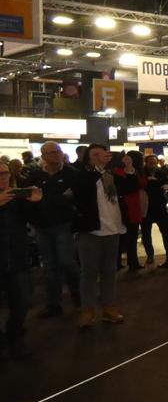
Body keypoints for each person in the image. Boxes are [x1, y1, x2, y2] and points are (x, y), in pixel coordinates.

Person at [25, 141, 81, 317]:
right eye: (52, 152)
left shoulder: (72, 174)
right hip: (42, 226)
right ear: (43, 156)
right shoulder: (35, 176)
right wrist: (60, 198)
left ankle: (79, 297)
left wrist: (46, 200)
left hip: (64, 225)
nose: (57, 154)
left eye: (58, 151)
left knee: (67, 262)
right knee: (49, 267)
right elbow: (29, 199)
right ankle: (53, 304)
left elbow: (75, 198)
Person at [72, 144, 125, 328]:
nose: (100, 157)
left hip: (113, 230)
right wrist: (97, 169)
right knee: (88, 273)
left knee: (109, 271)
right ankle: (87, 310)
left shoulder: (112, 175)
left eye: (103, 154)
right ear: (87, 158)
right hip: (91, 231)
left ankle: (108, 307)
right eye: (95, 154)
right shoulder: (82, 176)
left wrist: (121, 165)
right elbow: (81, 190)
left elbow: (129, 186)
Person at [0, 164, 42, 360]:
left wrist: (35, 202)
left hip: (17, 259)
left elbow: (36, 221)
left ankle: (15, 336)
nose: (3, 177)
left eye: (5, 173)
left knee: (22, 301)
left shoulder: (16, 197)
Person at [115, 153, 147, 272]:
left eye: (128, 158)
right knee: (123, 236)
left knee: (132, 236)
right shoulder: (118, 172)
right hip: (124, 206)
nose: (126, 159)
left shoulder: (137, 171)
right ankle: (119, 263)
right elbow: (125, 188)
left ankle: (132, 262)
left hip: (135, 206)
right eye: (125, 158)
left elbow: (142, 184)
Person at [141, 155, 168, 267]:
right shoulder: (142, 173)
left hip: (160, 206)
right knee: (146, 233)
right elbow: (142, 186)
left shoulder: (161, 172)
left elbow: (166, 184)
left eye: (154, 163)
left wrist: (162, 185)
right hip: (146, 207)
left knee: (166, 232)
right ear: (146, 163)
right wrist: (158, 184)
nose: (153, 165)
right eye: (150, 163)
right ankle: (150, 255)